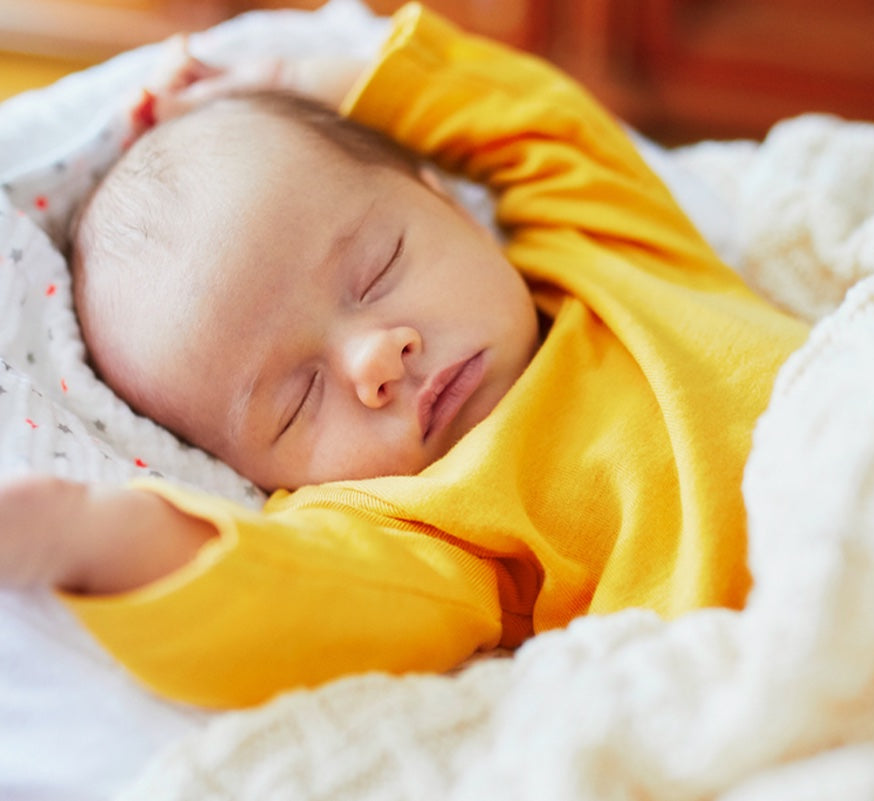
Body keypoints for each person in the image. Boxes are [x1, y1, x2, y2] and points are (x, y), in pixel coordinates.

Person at [0, 2, 808, 708]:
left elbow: (522, 114)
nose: (374, 359)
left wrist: (293, 76)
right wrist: (93, 535)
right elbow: (290, 595)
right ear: (257, 474)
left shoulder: (605, 241)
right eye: (299, 399)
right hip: (801, 626)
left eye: (376, 269)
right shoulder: (424, 523)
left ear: (444, 196)